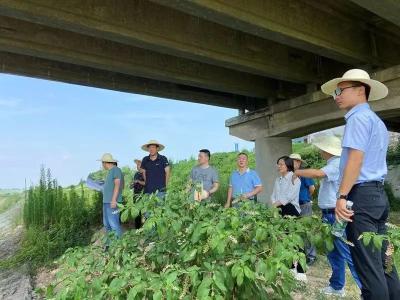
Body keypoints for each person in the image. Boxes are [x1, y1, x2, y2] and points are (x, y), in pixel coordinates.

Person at [321, 69, 400, 299]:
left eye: (340, 90)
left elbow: (355, 159)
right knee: (385, 264)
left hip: (361, 198)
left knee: (369, 268)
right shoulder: (376, 121)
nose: (336, 95)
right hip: (377, 196)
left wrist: (342, 196)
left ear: (359, 90)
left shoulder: (357, 118)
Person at [294, 135, 361, 296]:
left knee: (345, 251)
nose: (319, 151)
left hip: (335, 214)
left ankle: (365, 289)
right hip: (329, 214)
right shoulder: (333, 163)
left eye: (321, 148)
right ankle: (337, 286)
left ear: (327, 150)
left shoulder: (337, 163)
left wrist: (297, 172)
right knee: (334, 252)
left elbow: (317, 174)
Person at [271, 156, 305, 281]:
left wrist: (276, 204)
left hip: (291, 210)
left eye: (281, 164)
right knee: (283, 239)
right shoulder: (278, 179)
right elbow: (273, 195)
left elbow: (290, 197)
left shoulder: (294, 178)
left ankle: (301, 271)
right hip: (279, 210)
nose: (279, 166)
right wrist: (274, 203)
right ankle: (288, 267)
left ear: (288, 165)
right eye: (278, 164)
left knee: (296, 240)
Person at [290, 153, 317, 265]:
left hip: (304, 205)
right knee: (295, 231)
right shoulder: (288, 174)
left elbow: (312, 188)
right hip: (292, 206)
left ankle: (311, 256)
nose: (294, 163)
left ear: (300, 163)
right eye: (292, 161)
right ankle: (298, 256)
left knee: (307, 231)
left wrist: (306, 198)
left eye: (296, 161)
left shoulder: (304, 174)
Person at [97, 153, 124, 245]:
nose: (102, 165)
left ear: (104, 163)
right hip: (106, 202)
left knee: (114, 224)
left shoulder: (116, 170)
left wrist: (114, 200)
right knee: (107, 225)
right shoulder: (110, 172)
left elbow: (117, 184)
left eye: (102, 163)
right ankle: (109, 245)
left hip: (112, 202)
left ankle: (118, 247)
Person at [129, 159, 145, 228]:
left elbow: (147, 183)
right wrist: (131, 185)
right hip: (135, 195)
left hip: (143, 194)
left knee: (145, 211)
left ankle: (147, 227)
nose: (137, 166)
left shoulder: (145, 173)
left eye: (139, 164)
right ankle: (137, 228)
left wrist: (138, 181)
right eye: (137, 165)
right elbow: (131, 186)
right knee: (137, 212)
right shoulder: (136, 174)